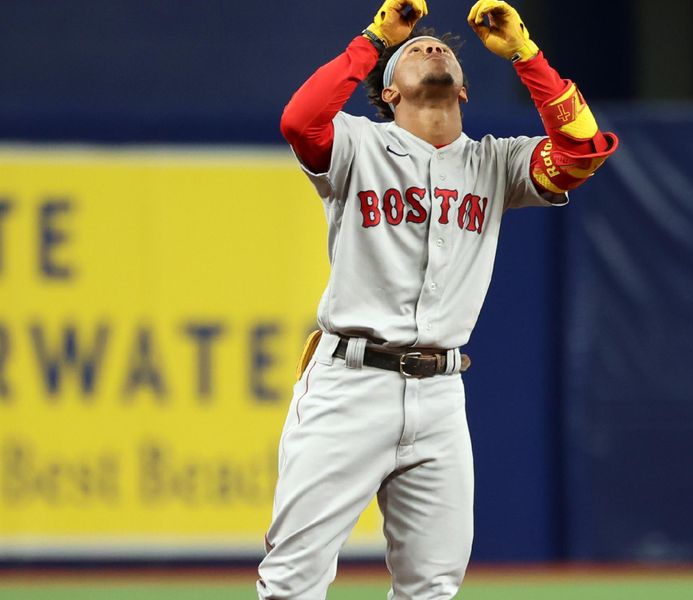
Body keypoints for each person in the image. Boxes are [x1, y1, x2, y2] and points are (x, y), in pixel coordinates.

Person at [258, 1, 618, 598]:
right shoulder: (358, 143)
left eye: (443, 49)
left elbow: (581, 150)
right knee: (295, 577)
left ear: (466, 90)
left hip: (441, 391)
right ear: (391, 93)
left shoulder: (495, 161)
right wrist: (376, 39)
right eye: (414, 52)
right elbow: (301, 121)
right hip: (350, 381)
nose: (431, 49)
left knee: (433, 585)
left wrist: (526, 56)